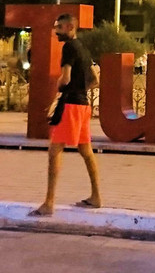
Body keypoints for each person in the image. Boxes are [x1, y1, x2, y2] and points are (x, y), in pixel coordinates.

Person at [30, 13, 102, 216]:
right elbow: (95, 79)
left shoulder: (68, 47)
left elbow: (66, 77)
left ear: (70, 27)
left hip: (70, 104)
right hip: (83, 104)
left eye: (59, 27)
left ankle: (49, 203)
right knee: (86, 151)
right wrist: (81, 88)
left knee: (54, 151)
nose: (56, 31)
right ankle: (96, 196)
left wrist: (59, 86)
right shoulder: (83, 48)